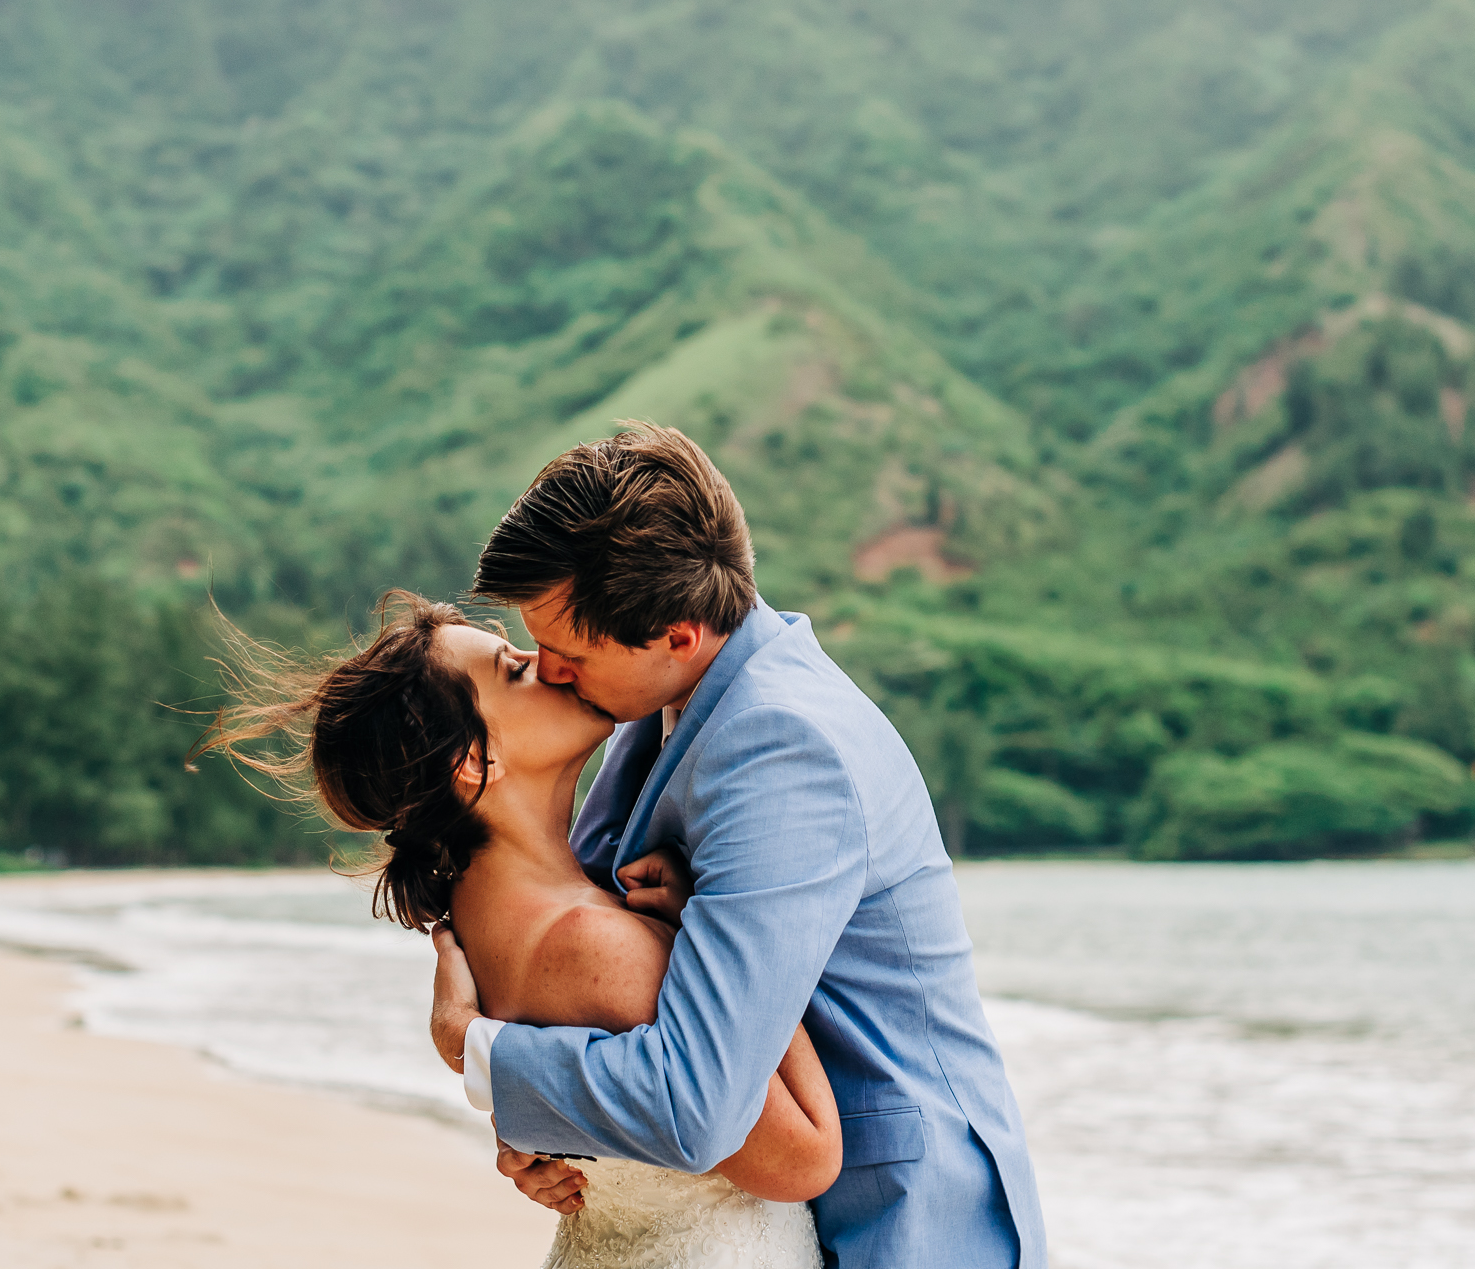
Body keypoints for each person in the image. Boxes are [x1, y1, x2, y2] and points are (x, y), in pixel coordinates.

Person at [432, 424, 1045, 1269]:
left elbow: (695, 1105)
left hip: (896, 1223)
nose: (551, 670)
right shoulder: (666, 701)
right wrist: (572, 1140)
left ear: (677, 634)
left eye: (568, 651)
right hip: (754, 1202)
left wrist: (484, 1056)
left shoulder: (785, 748)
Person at [200, 590, 839, 1267]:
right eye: (515, 669)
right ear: (473, 762)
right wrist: (710, 935)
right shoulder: (594, 945)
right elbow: (804, 1157)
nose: (552, 663)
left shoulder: (480, 935)